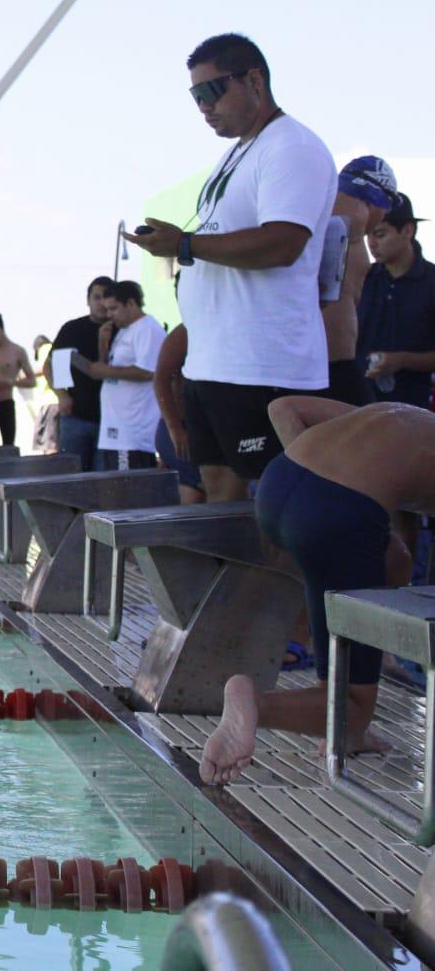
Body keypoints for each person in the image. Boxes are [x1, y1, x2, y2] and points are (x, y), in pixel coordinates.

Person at [124, 32, 335, 503]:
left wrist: (185, 243)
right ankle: (238, 580)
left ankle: (280, 581)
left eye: (211, 91)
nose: (203, 106)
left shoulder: (290, 146)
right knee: (221, 494)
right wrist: (180, 245)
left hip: (261, 366)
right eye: (195, 96)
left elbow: (283, 243)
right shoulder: (236, 153)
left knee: (273, 505)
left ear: (254, 80)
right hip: (213, 364)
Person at [198, 397, 428, 785]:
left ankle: (346, 730)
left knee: (394, 560)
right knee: (352, 705)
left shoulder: (405, 418)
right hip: (336, 511)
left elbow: (283, 409)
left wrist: (317, 499)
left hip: (281, 483)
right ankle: (256, 703)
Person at [323, 157, 398, 405]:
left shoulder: (330, 212)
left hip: (325, 360)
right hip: (333, 363)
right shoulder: (353, 214)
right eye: (385, 207)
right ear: (374, 199)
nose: (385, 215)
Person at [71, 281, 165, 471]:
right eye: (107, 309)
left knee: (127, 491)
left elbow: (148, 371)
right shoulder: (124, 331)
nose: (109, 315)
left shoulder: (147, 329)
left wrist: (105, 371)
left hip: (131, 433)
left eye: (113, 308)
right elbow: (110, 368)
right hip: (115, 430)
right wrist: (102, 347)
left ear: (131, 303)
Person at [357, 192, 435, 408]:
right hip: (358, 404)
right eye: (368, 235)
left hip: (416, 410)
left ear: (408, 230)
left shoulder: (431, 282)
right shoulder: (361, 279)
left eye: (380, 234)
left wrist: (402, 360)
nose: (371, 243)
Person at [46, 277, 115, 472]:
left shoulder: (121, 329)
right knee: (71, 475)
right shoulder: (72, 329)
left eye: (106, 297)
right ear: (88, 300)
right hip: (75, 416)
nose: (101, 303)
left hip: (111, 419)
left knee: (104, 479)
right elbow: (50, 366)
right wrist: (61, 395)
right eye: (97, 297)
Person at [154, 324, 204, 504]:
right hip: (180, 429)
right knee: (196, 491)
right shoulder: (185, 332)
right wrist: (175, 429)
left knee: (198, 491)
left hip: (202, 428)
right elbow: (160, 379)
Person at [0, 311, 36, 446]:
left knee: (8, 445)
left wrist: (12, 382)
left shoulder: (17, 351)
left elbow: (32, 380)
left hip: (5, 403)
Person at [28, 335, 60, 454]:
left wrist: (25, 375)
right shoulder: (53, 348)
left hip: (50, 401)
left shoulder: (46, 348)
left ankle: (53, 471)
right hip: (55, 401)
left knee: (50, 445)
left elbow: (45, 368)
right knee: (52, 443)